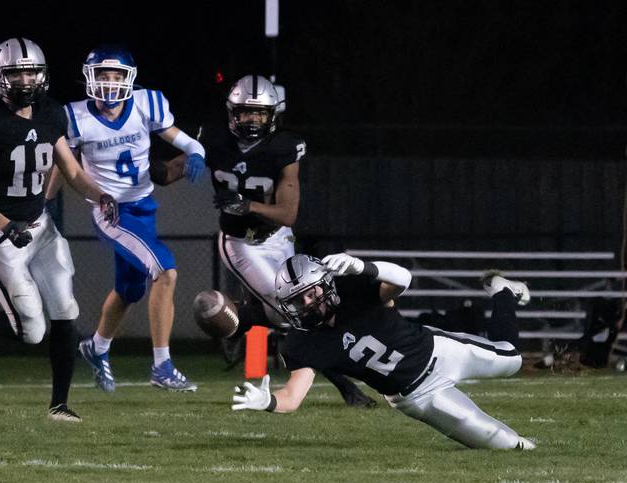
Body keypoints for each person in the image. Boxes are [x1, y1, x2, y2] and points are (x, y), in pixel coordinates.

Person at [0, 37, 117, 422]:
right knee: (31, 331)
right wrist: (5, 225)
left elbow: (72, 171)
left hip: (41, 230)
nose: (25, 80)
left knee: (65, 308)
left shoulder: (51, 112)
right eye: (16, 72)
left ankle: (59, 405)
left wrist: (101, 195)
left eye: (31, 72)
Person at [190, 74, 375, 407]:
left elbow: (288, 214)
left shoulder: (284, 148)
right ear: (232, 112)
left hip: (278, 237)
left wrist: (247, 205)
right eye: (245, 112)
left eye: (259, 113)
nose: (251, 119)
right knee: (298, 313)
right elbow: (174, 166)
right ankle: (347, 385)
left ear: (272, 115)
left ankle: (246, 316)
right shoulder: (214, 140)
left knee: (308, 306)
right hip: (241, 245)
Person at [231, 253, 537, 450]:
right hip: (416, 398)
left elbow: (403, 279)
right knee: (506, 445)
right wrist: (268, 401)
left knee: (512, 359)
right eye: (299, 301)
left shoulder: (354, 290)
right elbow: (292, 397)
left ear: (326, 284)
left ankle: (502, 291)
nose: (308, 304)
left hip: (438, 354)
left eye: (311, 293)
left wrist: (363, 266)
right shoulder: (302, 342)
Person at [59, 46, 206, 392]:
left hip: (143, 207)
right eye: (103, 76)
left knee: (128, 291)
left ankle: (97, 347)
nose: (110, 84)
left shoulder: (146, 104)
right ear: (89, 77)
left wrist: (196, 153)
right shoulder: (75, 117)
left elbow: (184, 140)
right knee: (165, 270)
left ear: (129, 79)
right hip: (111, 211)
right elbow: (64, 166)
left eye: (116, 76)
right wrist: (46, 203)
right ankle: (162, 366)